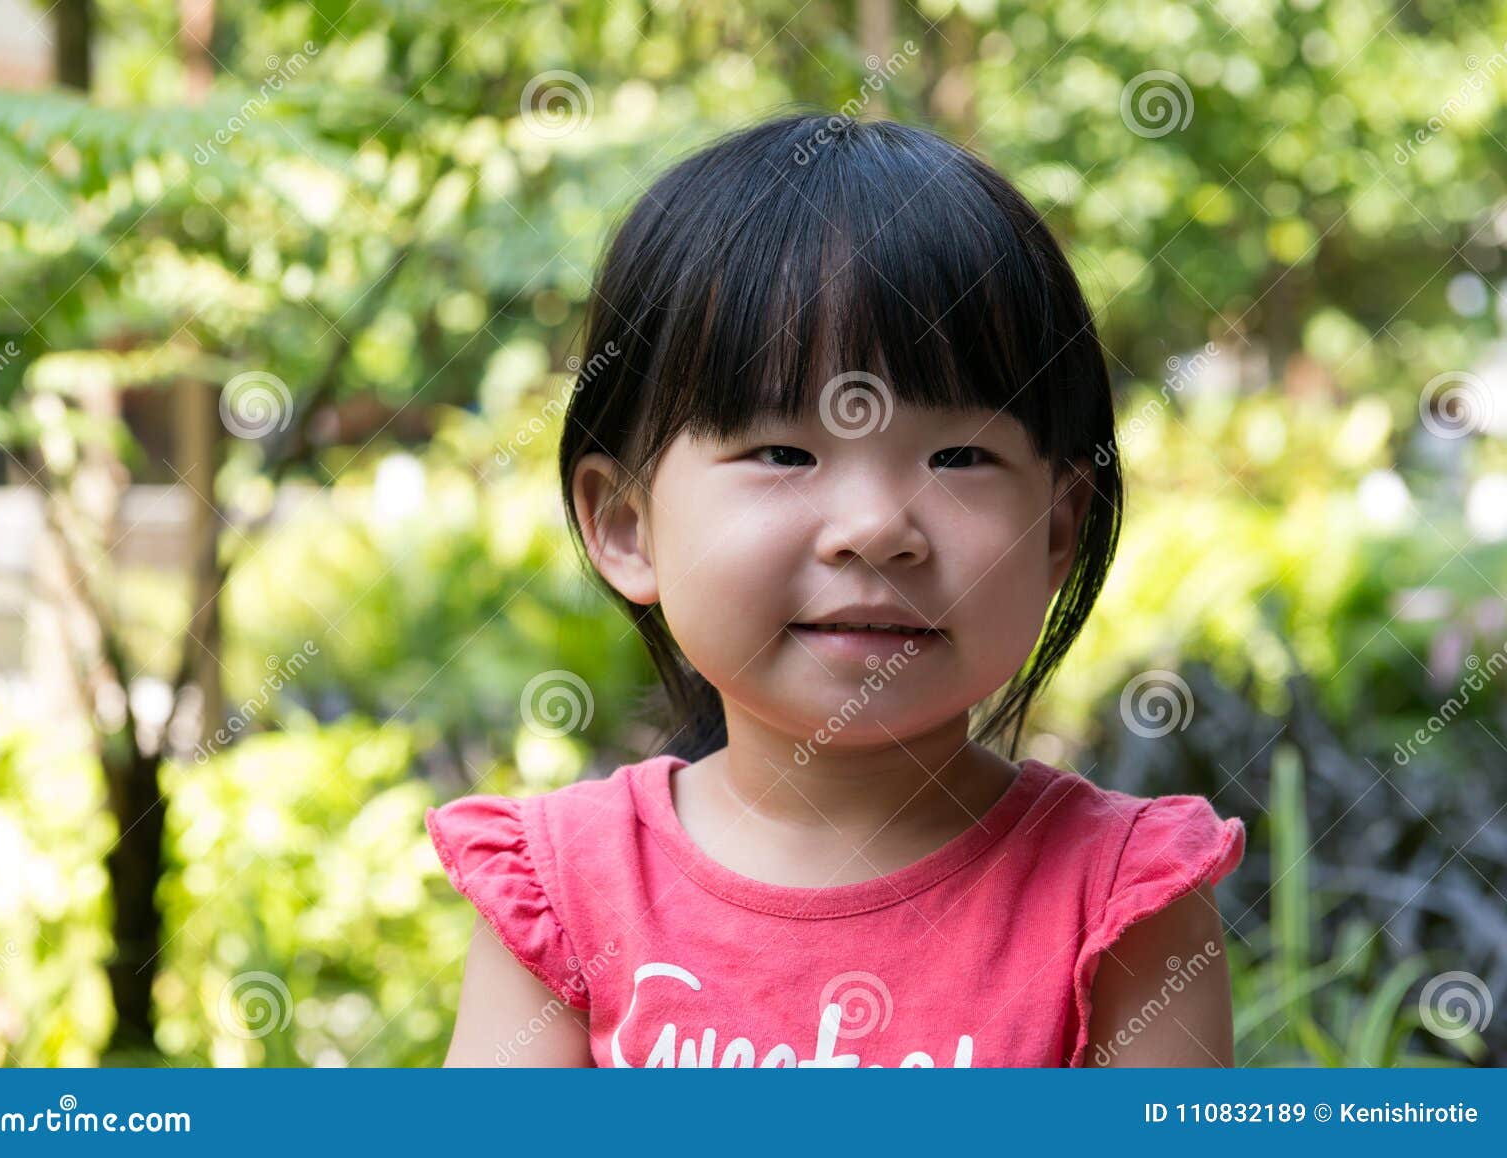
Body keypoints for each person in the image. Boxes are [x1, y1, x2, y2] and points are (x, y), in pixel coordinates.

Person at [428, 111, 1245, 1068]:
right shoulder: (563, 896)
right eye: (783, 451)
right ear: (625, 525)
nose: (875, 528)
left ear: (1057, 529)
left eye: (958, 456)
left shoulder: (1119, 905)